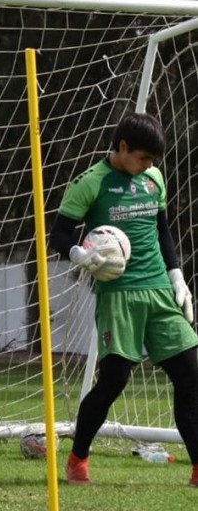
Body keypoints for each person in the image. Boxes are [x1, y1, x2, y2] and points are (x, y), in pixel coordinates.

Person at [50, 112, 198, 487]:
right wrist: (80, 256)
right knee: (114, 380)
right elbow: (60, 234)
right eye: (143, 158)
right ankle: (78, 457)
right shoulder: (91, 183)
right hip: (118, 295)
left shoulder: (154, 178)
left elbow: (162, 230)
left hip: (160, 293)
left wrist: (177, 275)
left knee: (191, 375)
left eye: (152, 162)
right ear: (123, 147)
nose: (148, 166)